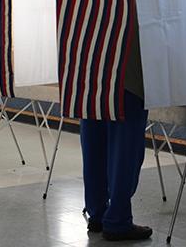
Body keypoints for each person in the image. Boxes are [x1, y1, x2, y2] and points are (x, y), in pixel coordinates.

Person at [80, 26, 152, 241]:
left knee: (94, 146)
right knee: (125, 150)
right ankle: (118, 220)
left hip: (89, 72)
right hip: (125, 75)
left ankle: (98, 213)